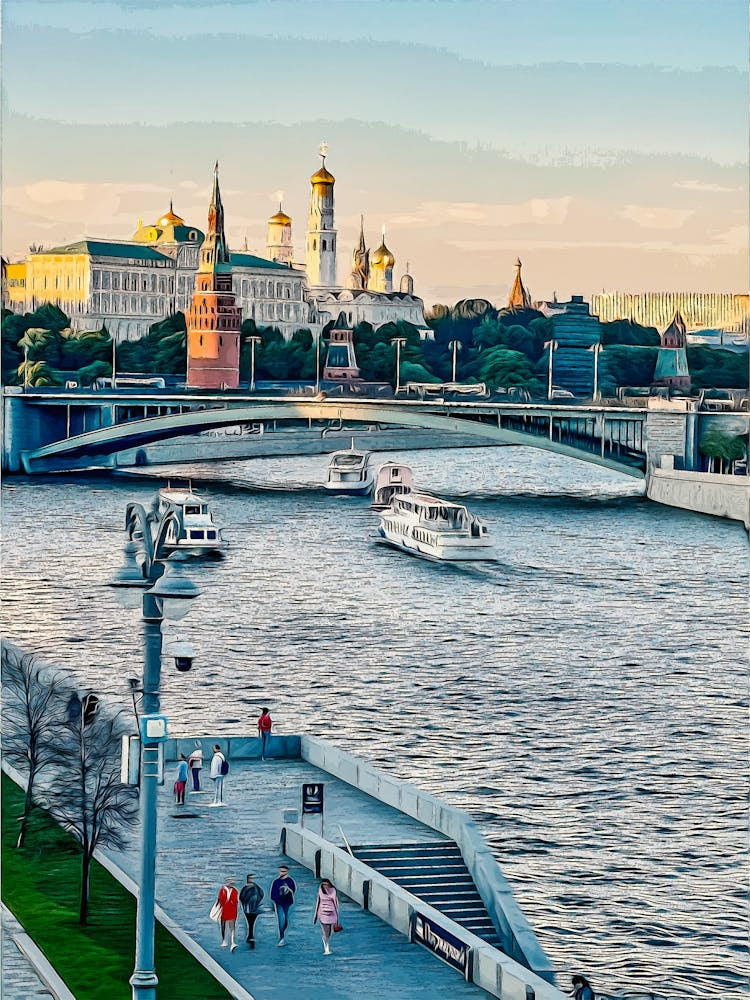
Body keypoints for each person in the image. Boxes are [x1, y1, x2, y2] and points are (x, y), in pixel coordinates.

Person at [270, 864, 296, 946]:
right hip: (279, 903)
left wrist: (288, 889)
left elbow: (293, 890)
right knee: (281, 920)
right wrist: (274, 902)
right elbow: (272, 894)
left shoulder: (290, 881)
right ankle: (282, 938)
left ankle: (283, 932)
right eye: (281, 871)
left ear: (287, 872)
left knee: (286, 920)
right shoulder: (276, 882)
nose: (282, 873)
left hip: (288, 903)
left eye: (283, 871)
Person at [313, 878, 339, 955]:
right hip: (322, 913)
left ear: (329, 884)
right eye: (323, 884)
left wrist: (337, 917)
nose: (324, 886)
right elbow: (318, 902)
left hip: (332, 913)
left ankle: (326, 942)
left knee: (331, 932)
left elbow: (336, 903)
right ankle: (326, 949)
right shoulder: (320, 891)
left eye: (326, 884)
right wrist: (315, 916)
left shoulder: (333, 891)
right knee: (325, 932)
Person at [239, 873, 264, 948]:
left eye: (252, 878)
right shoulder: (251, 887)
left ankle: (250, 936)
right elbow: (241, 897)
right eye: (250, 878)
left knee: (251, 922)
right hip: (249, 909)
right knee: (250, 922)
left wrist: (255, 901)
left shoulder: (252, 887)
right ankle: (250, 936)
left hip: (252, 908)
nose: (251, 880)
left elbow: (241, 897)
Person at [216, 878, 239, 952]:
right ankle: (224, 941)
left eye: (231, 883)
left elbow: (236, 901)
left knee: (232, 926)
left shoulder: (235, 891)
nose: (230, 884)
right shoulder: (222, 890)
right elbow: (219, 900)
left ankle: (232, 942)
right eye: (229, 882)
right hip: (224, 910)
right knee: (223, 925)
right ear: (226, 883)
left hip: (232, 910)